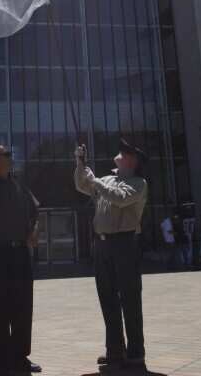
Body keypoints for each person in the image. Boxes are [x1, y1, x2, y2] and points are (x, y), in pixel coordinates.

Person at [75, 140, 149, 371]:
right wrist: (80, 163)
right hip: (102, 245)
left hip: (125, 244)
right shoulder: (106, 179)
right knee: (107, 299)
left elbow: (120, 198)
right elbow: (81, 185)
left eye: (126, 152)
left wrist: (95, 180)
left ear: (133, 161)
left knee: (129, 299)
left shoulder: (138, 183)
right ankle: (115, 351)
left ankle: (135, 352)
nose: (120, 153)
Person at [0, 145, 42, 375]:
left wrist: (34, 230)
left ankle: (20, 357)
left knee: (23, 307)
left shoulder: (19, 184)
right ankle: (2, 359)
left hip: (21, 254)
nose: (10, 158)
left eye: (10, 155)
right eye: (5, 155)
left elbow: (35, 212)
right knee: (1, 308)